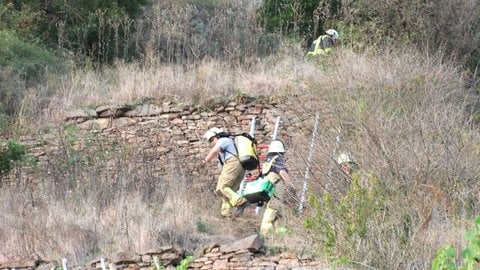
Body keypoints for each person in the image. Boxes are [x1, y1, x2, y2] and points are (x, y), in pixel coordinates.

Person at [203, 127, 249, 218]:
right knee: (228, 191)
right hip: (240, 167)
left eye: (212, 139)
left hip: (232, 163)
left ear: (217, 135)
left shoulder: (223, 140)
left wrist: (205, 161)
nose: (212, 142)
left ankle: (241, 202)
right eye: (210, 141)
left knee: (221, 188)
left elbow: (214, 151)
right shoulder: (229, 142)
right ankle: (226, 214)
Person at [259, 140, 297, 236]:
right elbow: (282, 173)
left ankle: (280, 238)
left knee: (281, 215)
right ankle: (264, 235)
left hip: (268, 190)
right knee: (272, 210)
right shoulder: (277, 159)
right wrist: (291, 185)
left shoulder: (268, 161)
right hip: (275, 191)